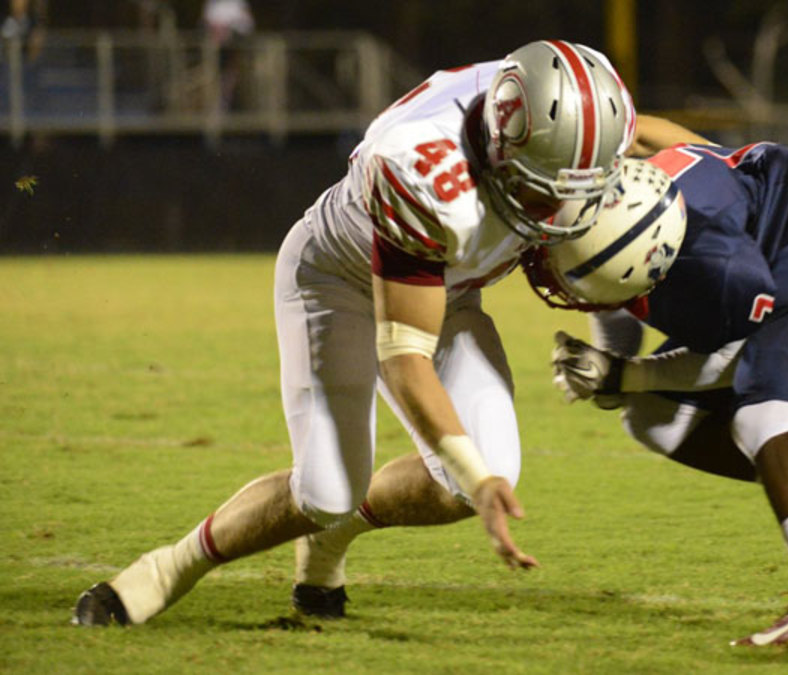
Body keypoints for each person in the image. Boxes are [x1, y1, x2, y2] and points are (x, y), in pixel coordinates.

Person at [72, 39, 649, 626]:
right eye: (544, 188)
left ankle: (331, 537)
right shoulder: (423, 170)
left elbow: (659, 146)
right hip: (338, 279)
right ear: (502, 149)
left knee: (482, 471)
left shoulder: (573, 115)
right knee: (328, 491)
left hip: (450, 290)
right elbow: (405, 360)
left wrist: (709, 169)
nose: (561, 210)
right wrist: (477, 480)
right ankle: (166, 570)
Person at [537, 140, 788, 645]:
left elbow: (732, 360)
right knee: (654, 417)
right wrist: (608, 366)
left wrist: (624, 375)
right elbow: (612, 291)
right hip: (760, 252)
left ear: (655, 263)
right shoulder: (621, 204)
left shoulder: (718, 269)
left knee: (764, 408)